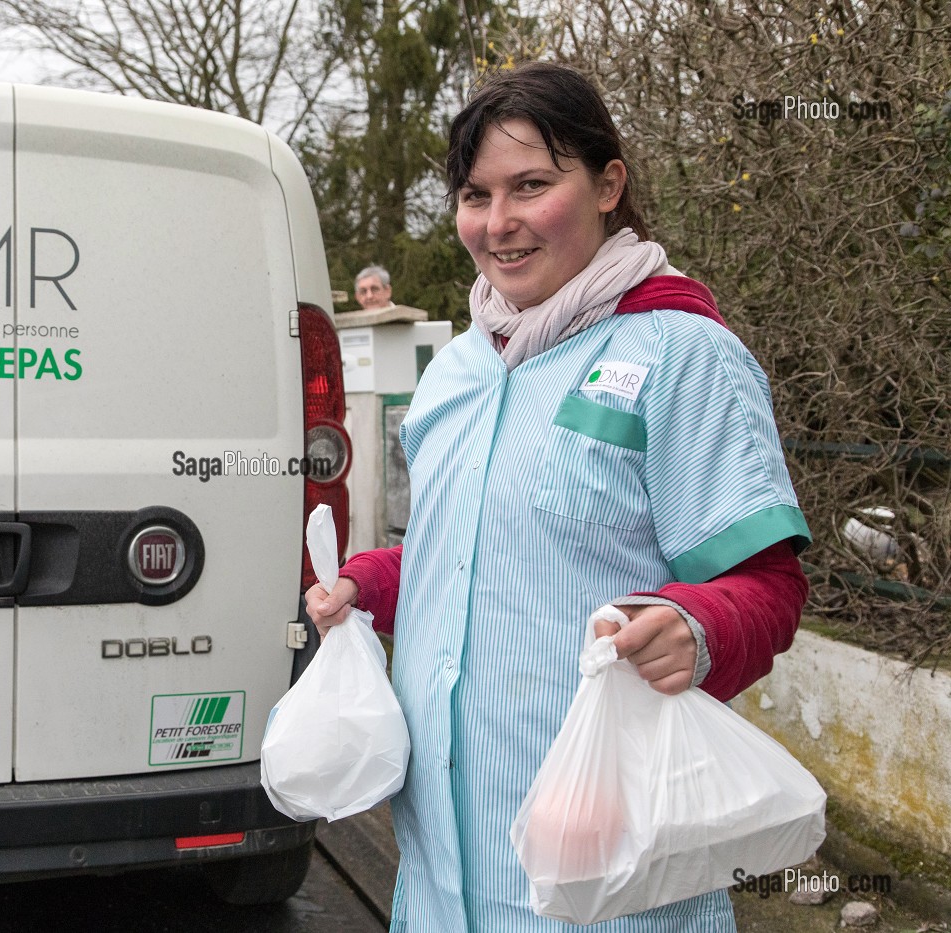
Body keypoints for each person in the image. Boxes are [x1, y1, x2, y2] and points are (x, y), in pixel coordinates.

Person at [306, 62, 811, 932]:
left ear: (608, 186)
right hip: (438, 882)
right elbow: (460, 551)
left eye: (532, 185)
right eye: (475, 195)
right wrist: (371, 582)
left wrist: (696, 626)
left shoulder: (682, 354)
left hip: (608, 880)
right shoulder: (457, 370)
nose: (497, 222)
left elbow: (768, 586)